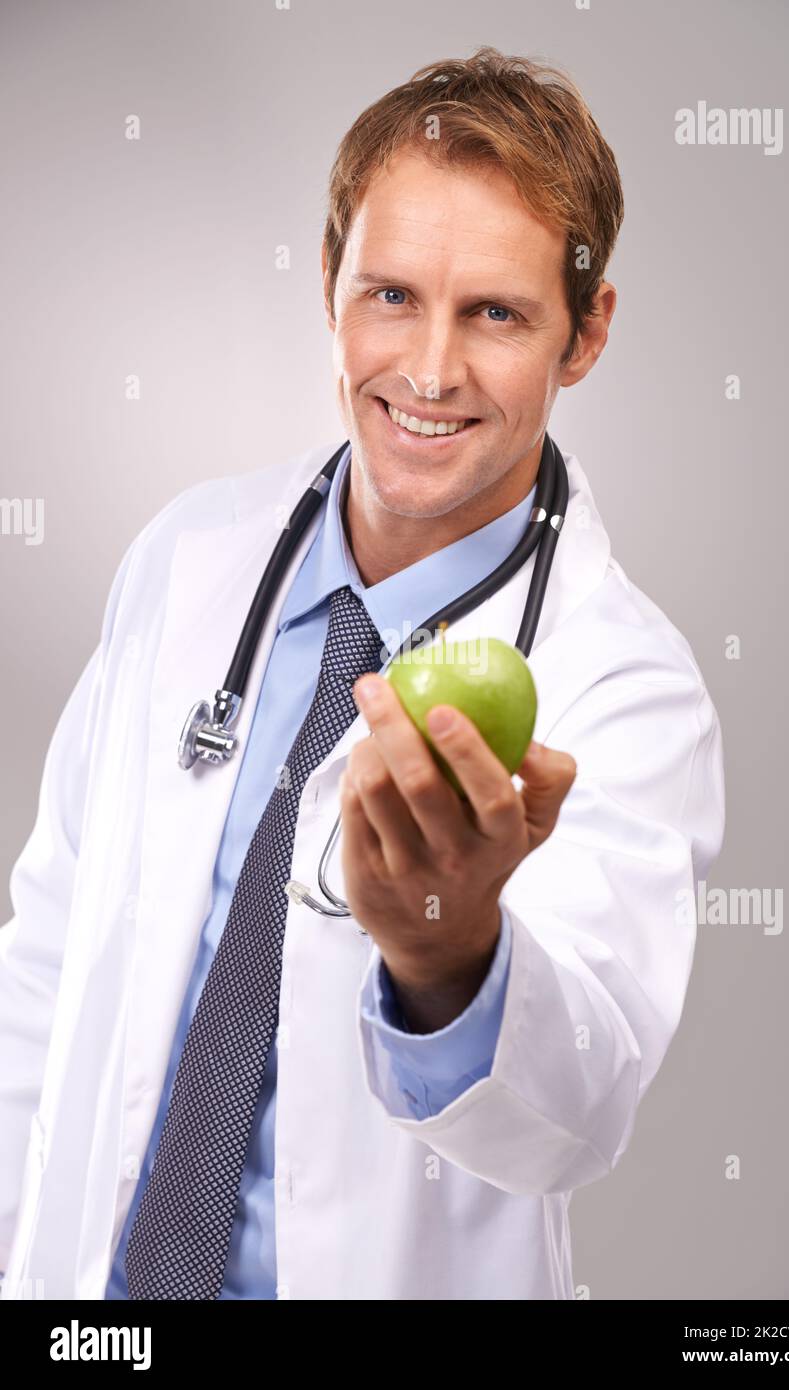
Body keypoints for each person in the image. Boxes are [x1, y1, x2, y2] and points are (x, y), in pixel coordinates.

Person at [0, 46, 724, 1301]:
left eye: (496, 312)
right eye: (390, 294)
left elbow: (578, 1109)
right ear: (327, 281)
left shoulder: (624, 684)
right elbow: (49, 963)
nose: (431, 370)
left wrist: (451, 956)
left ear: (586, 331)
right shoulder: (188, 560)